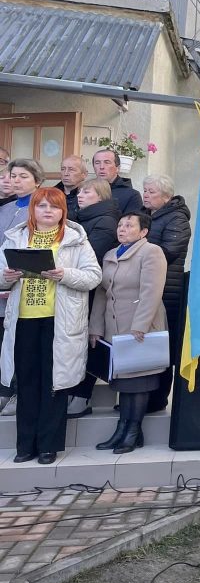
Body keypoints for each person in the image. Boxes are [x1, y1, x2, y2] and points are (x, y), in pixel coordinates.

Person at [0, 188, 100, 464]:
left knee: (54, 383)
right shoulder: (16, 237)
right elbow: (0, 276)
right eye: (41, 206)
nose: (47, 211)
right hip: (23, 321)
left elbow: (94, 276)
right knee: (27, 383)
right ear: (32, 209)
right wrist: (7, 276)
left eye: (54, 207)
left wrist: (64, 274)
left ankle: (48, 446)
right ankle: (25, 446)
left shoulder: (75, 239)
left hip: (59, 322)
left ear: (62, 211)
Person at [89, 212, 167, 454]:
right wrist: (96, 327)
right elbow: (102, 293)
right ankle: (123, 430)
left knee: (139, 381)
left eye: (129, 225)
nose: (122, 229)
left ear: (143, 232)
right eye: (120, 225)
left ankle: (132, 432)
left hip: (139, 327)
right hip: (115, 328)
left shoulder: (151, 252)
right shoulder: (111, 254)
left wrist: (140, 325)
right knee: (124, 382)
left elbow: (152, 291)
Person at [66, 178, 122, 418]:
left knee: (90, 340)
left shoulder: (106, 221)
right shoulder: (79, 218)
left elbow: (90, 255)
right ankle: (72, 391)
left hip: (92, 289)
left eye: (86, 192)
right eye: (79, 192)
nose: (80, 195)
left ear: (100, 195)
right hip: (74, 287)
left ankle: (82, 395)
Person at [141, 174, 192, 413]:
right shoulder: (144, 216)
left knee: (162, 347)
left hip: (166, 290)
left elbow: (168, 251)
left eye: (151, 192)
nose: (146, 195)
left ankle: (157, 399)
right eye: (145, 190)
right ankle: (140, 398)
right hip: (145, 288)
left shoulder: (177, 218)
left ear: (167, 196)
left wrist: (136, 258)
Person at [0, 158, 44, 417]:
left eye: (23, 176)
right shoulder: (6, 208)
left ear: (37, 180)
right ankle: (4, 390)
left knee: (21, 344)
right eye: (13, 176)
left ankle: (17, 393)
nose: (16, 180)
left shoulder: (42, 207)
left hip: (26, 285)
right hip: (3, 279)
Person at [92, 149, 143, 215]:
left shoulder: (131, 195)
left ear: (117, 168)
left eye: (107, 162)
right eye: (97, 163)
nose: (101, 167)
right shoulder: (85, 191)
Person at [56, 155, 89, 221]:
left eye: (71, 170)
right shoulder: (51, 194)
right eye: (63, 169)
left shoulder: (89, 197)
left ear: (84, 174)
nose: (66, 173)